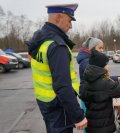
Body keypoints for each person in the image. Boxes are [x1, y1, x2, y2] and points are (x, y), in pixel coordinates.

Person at [27, 3, 87, 133]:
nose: (71, 26)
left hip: (45, 103)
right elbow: (62, 86)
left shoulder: (40, 40)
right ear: (58, 17)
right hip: (59, 107)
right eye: (70, 20)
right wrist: (78, 116)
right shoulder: (57, 46)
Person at [76, 37, 120, 133]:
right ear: (92, 48)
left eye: (102, 48)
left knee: (91, 124)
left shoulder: (88, 59)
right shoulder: (87, 61)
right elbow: (99, 79)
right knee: (90, 124)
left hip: (89, 94)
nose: (102, 50)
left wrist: (117, 78)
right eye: (100, 48)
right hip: (90, 96)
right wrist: (117, 79)